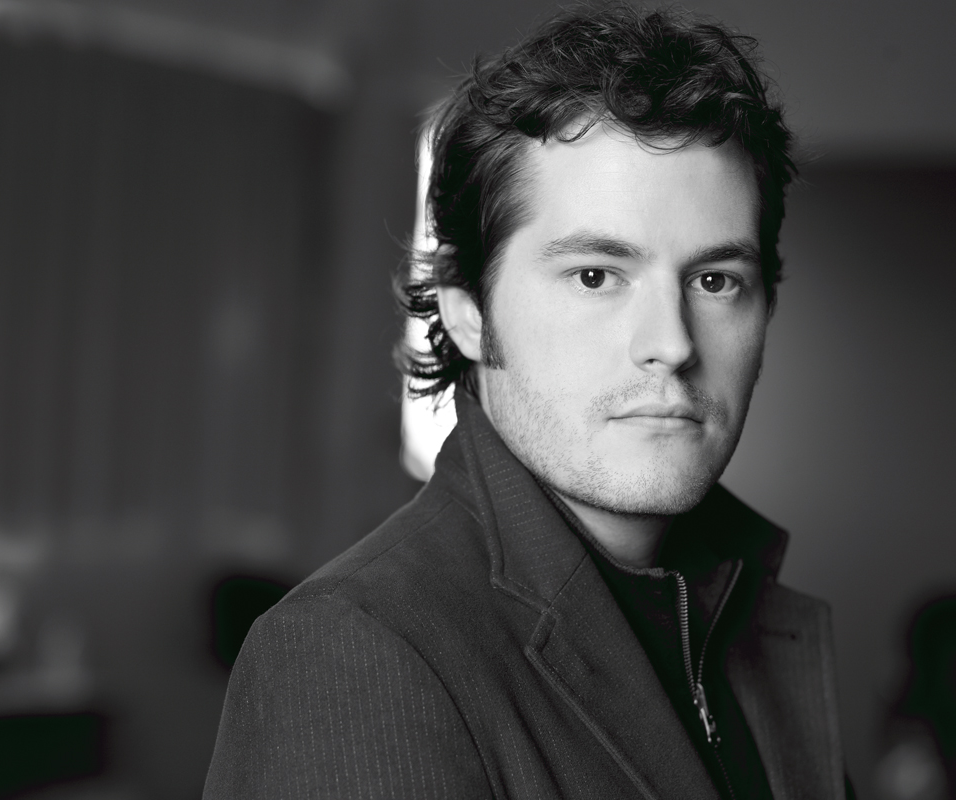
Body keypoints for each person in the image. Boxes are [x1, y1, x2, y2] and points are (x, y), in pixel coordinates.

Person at [205, 5, 850, 798]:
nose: (673, 343)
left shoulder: (742, 614)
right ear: (467, 314)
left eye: (715, 281)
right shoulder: (353, 653)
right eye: (596, 276)